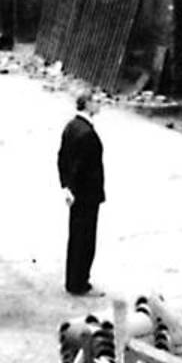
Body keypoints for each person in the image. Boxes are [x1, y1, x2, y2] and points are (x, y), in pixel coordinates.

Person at [57, 90, 105, 295]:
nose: (100, 103)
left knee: (76, 237)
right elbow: (80, 166)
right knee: (85, 239)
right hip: (87, 194)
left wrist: (66, 186)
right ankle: (80, 283)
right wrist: (74, 187)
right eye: (96, 101)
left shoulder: (71, 126)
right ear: (86, 104)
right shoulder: (88, 134)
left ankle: (73, 280)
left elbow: (62, 158)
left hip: (76, 193)